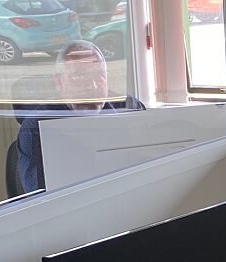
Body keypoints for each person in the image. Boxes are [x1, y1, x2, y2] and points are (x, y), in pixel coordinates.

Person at [15, 41, 145, 194]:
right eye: (78, 76)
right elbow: (41, 202)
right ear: (59, 82)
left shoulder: (130, 109)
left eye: (99, 75)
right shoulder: (37, 129)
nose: (92, 86)